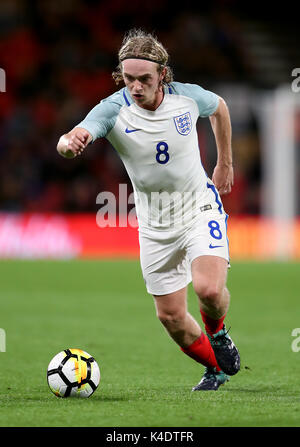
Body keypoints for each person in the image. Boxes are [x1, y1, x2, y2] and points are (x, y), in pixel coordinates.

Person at [57, 29, 240, 391]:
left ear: (162, 75)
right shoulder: (113, 108)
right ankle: (215, 368)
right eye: (128, 79)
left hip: (198, 207)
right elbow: (76, 135)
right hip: (154, 224)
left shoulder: (186, 98)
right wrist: (68, 143)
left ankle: (218, 335)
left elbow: (219, 107)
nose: (136, 87)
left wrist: (225, 162)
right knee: (170, 316)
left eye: (144, 79)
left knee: (208, 290)